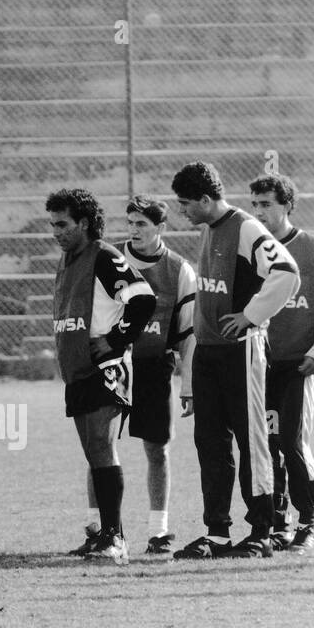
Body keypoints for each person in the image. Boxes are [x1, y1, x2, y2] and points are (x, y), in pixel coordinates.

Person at [170, 161, 299, 560]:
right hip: (209, 352)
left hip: (241, 352)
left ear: (207, 199)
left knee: (252, 440)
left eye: (186, 203)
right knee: (210, 442)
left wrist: (252, 315)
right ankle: (218, 532)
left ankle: (262, 530)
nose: (183, 211)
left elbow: (286, 271)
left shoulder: (245, 228)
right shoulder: (210, 229)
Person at [46, 189, 156, 565]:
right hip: (78, 369)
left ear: (84, 223)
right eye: (53, 224)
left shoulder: (105, 256)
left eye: (62, 224)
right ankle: (108, 535)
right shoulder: (67, 260)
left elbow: (143, 298)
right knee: (94, 453)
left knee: (102, 448)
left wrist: (115, 340)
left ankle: (115, 538)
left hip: (105, 369)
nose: (55, 231)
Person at [248, 174, 314, 553]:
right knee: (266, 443)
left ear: (288, 205)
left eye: (267, 204)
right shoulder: (252, 248)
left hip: (298, 364)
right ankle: (279, 520)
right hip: (258, 365)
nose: (259, 212)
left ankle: (309, 521)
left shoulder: (311, 248)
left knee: (292, 441)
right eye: (255, 205)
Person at [116, 195, 195, 555]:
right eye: (130, 223)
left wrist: (188, 383)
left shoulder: (179, 270)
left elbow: (188, 334)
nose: (133, 231)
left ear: (160, 228)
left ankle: (158, 532)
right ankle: (103, 531)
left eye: (141, 224)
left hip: (154, 368)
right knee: (101, 446)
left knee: (157, 449)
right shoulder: (110, 261)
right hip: (113, 367)